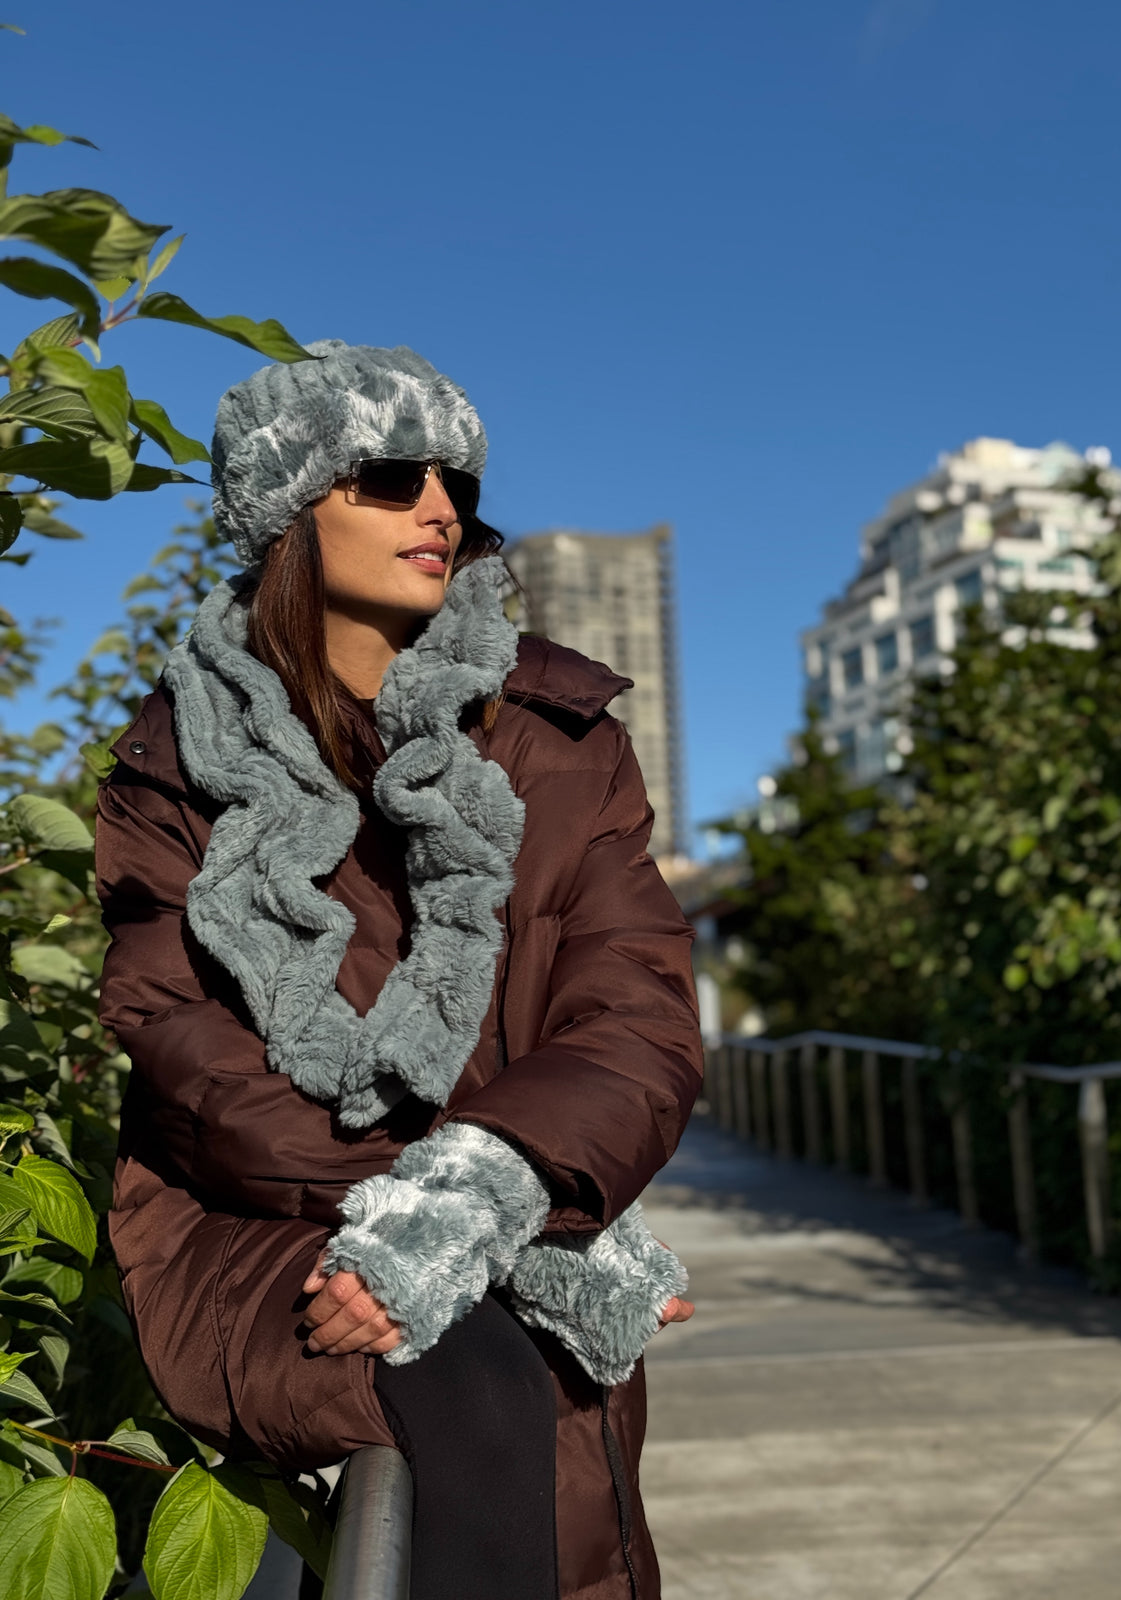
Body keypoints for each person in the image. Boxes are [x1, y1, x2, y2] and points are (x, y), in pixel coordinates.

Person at [95, 341, 703, 1600]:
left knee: (540, 1422)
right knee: (472, 1373)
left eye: (455, 484)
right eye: (386, 475)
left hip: (513, 1203)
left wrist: (483, 1204)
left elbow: (635, 1019)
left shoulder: (563, 741)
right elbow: (183, 1044)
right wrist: (424, 1228)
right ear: (286, 511)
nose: (440, 508)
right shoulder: (171, 766)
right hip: (255, 1219)